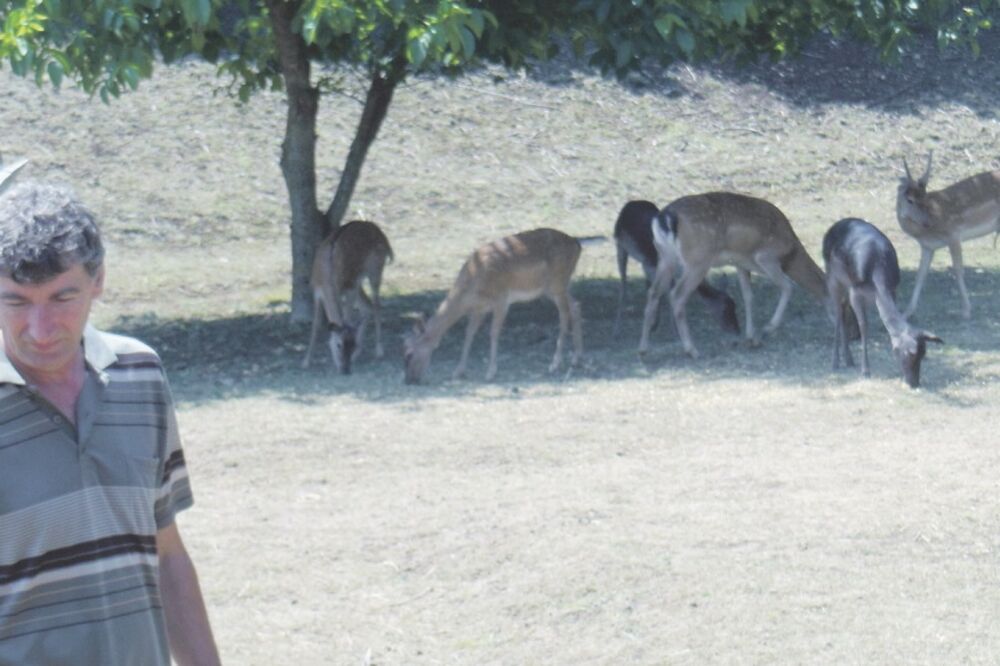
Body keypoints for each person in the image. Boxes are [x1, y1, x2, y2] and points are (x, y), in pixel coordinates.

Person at [0, 182, 220, 665]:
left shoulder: (139, 374)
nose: (40, 329)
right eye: (16, 302)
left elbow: (166, 554)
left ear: (98, 280)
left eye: (62, 297)